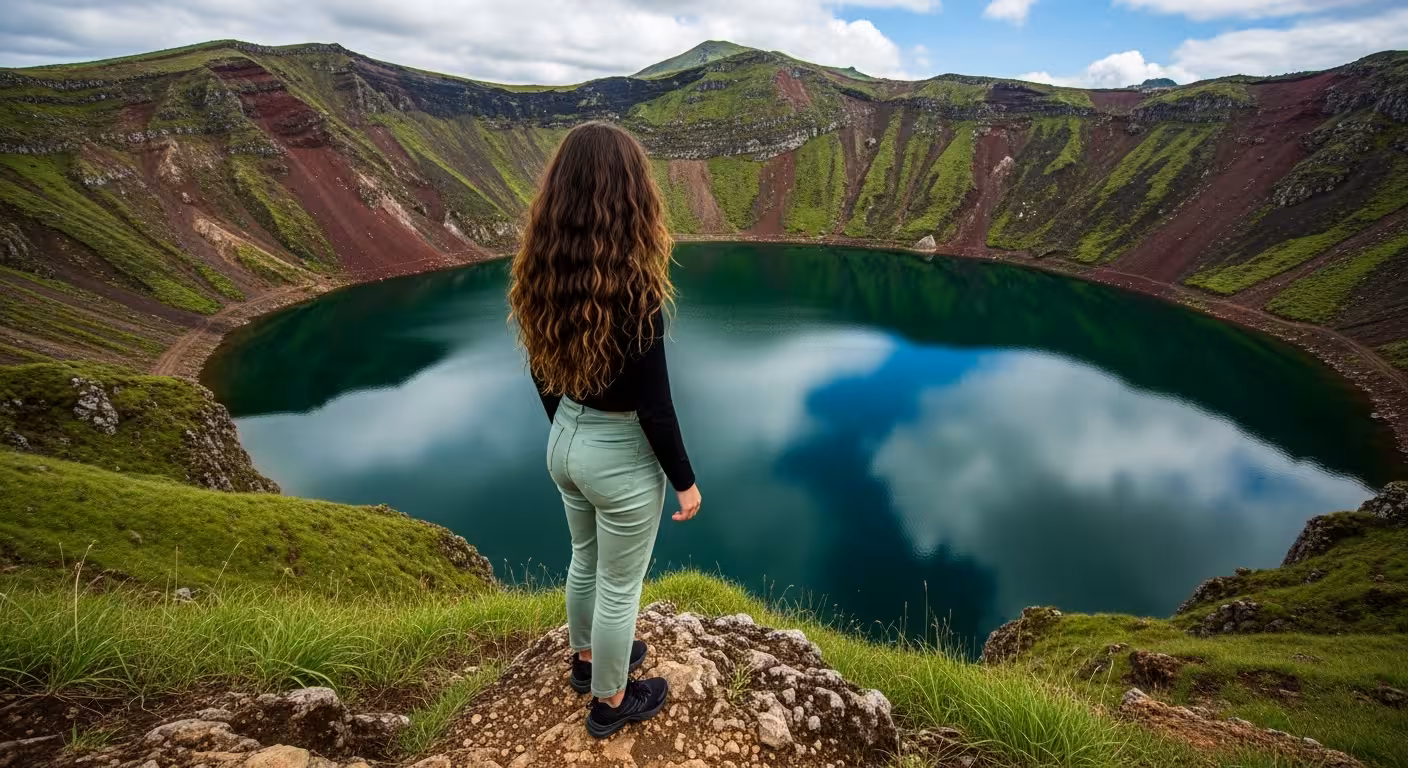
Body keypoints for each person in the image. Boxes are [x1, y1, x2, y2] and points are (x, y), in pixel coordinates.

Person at [508, 121, 703, 739]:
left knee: (584, 560)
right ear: (630, 194)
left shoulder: (541, 271)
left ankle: (587, 659)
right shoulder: (634, 285)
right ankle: (611, 701)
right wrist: (686, 483)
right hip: (618, 455)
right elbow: (656, 405)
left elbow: (543, 372)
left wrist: (569, 430)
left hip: (563, 441)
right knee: (621, 584)